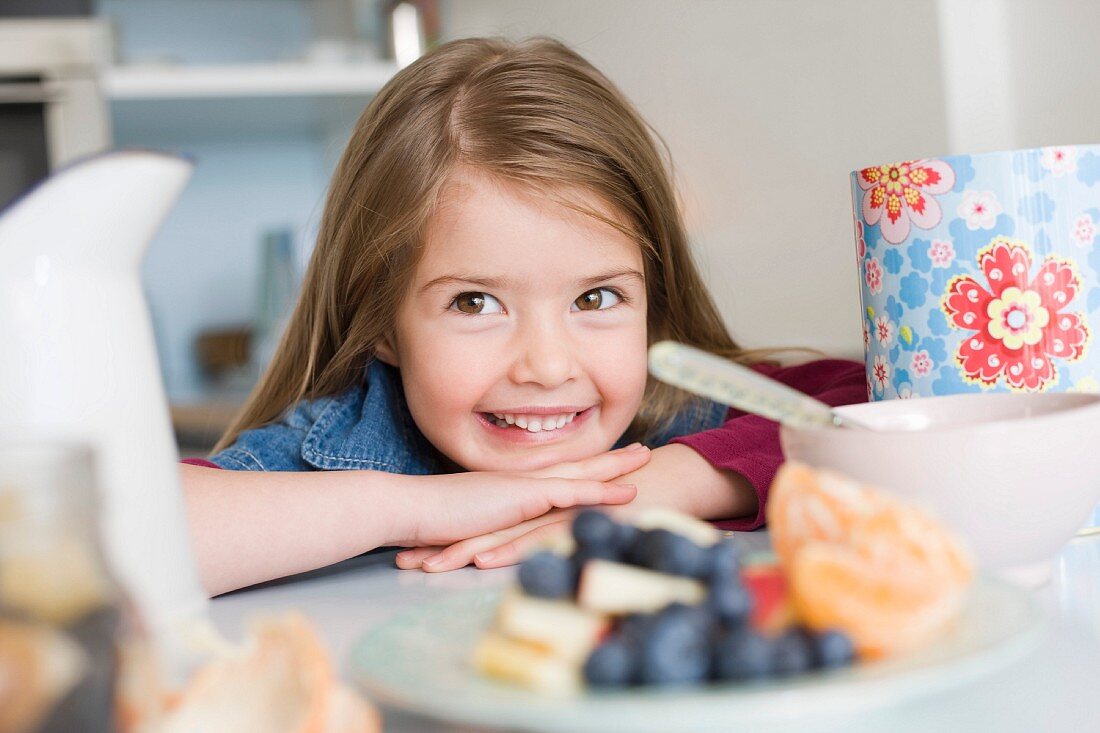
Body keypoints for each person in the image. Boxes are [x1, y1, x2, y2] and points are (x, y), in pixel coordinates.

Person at [181, 36, 865, 596]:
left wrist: (659, 486)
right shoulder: (347, 441)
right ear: (383, 320)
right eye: (475, 302)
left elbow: (880, 406)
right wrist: (415, 507)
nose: (546, 366)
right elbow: (130, 537)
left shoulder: (677, 412)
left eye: (595, 298)